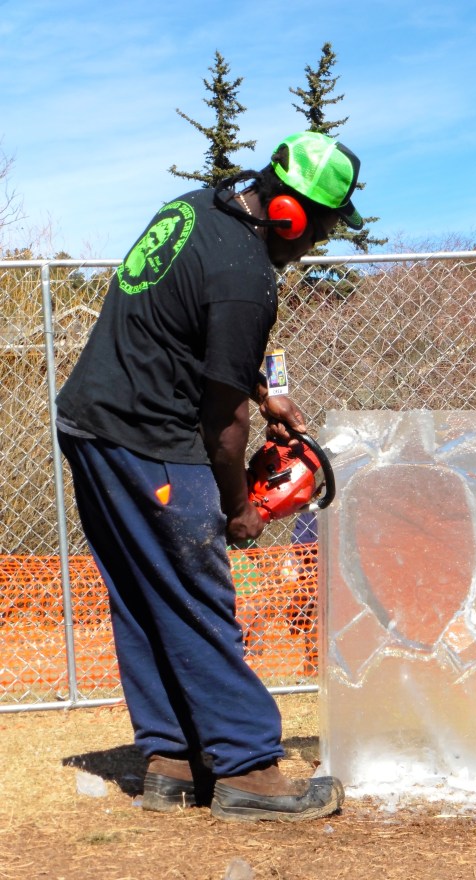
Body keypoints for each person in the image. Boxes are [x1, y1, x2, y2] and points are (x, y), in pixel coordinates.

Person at [56, 131, 364, 822]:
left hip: (88, 425)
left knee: (144, 594)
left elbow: (186, 332)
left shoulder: (194, 209)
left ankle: (171, 762)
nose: (311, 247)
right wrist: (237, 509)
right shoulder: (247, 276)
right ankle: (248, 770)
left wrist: (265, 392)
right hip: (150, 440)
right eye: (317, 232)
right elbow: (225, 427)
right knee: (198, 595)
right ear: (289, 214)